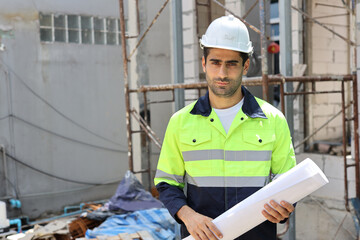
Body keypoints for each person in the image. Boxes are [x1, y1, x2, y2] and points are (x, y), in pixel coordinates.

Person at [154, 15, 296, 240]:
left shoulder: (273, 120)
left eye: (231, 64)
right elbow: (167, 183)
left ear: (245, 65)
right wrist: (189, 216)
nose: (222, 73)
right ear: (204, 64)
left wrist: (284, 209)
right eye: (215, 62)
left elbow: (288, 183)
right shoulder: (180, 122)